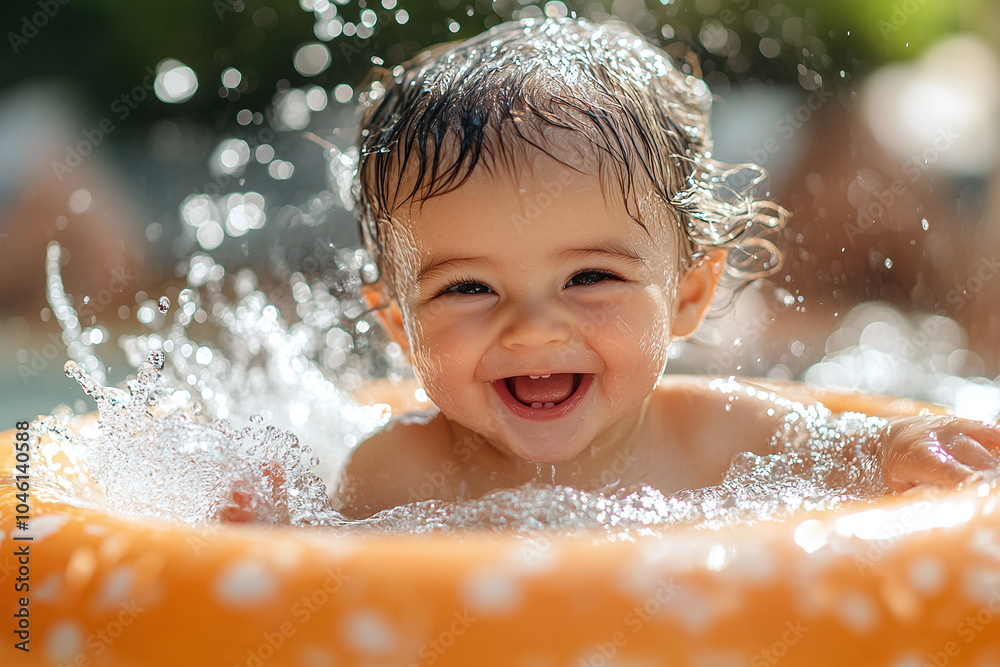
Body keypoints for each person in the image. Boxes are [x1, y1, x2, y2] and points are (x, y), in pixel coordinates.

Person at [330, 16, 1000, 520]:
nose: (532, 331)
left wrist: (904, 443)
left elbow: (847, 448)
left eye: (590, 277)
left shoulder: (717, 436)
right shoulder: (391, 474)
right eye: (468, 287)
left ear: (690, 292)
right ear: (399, 323)